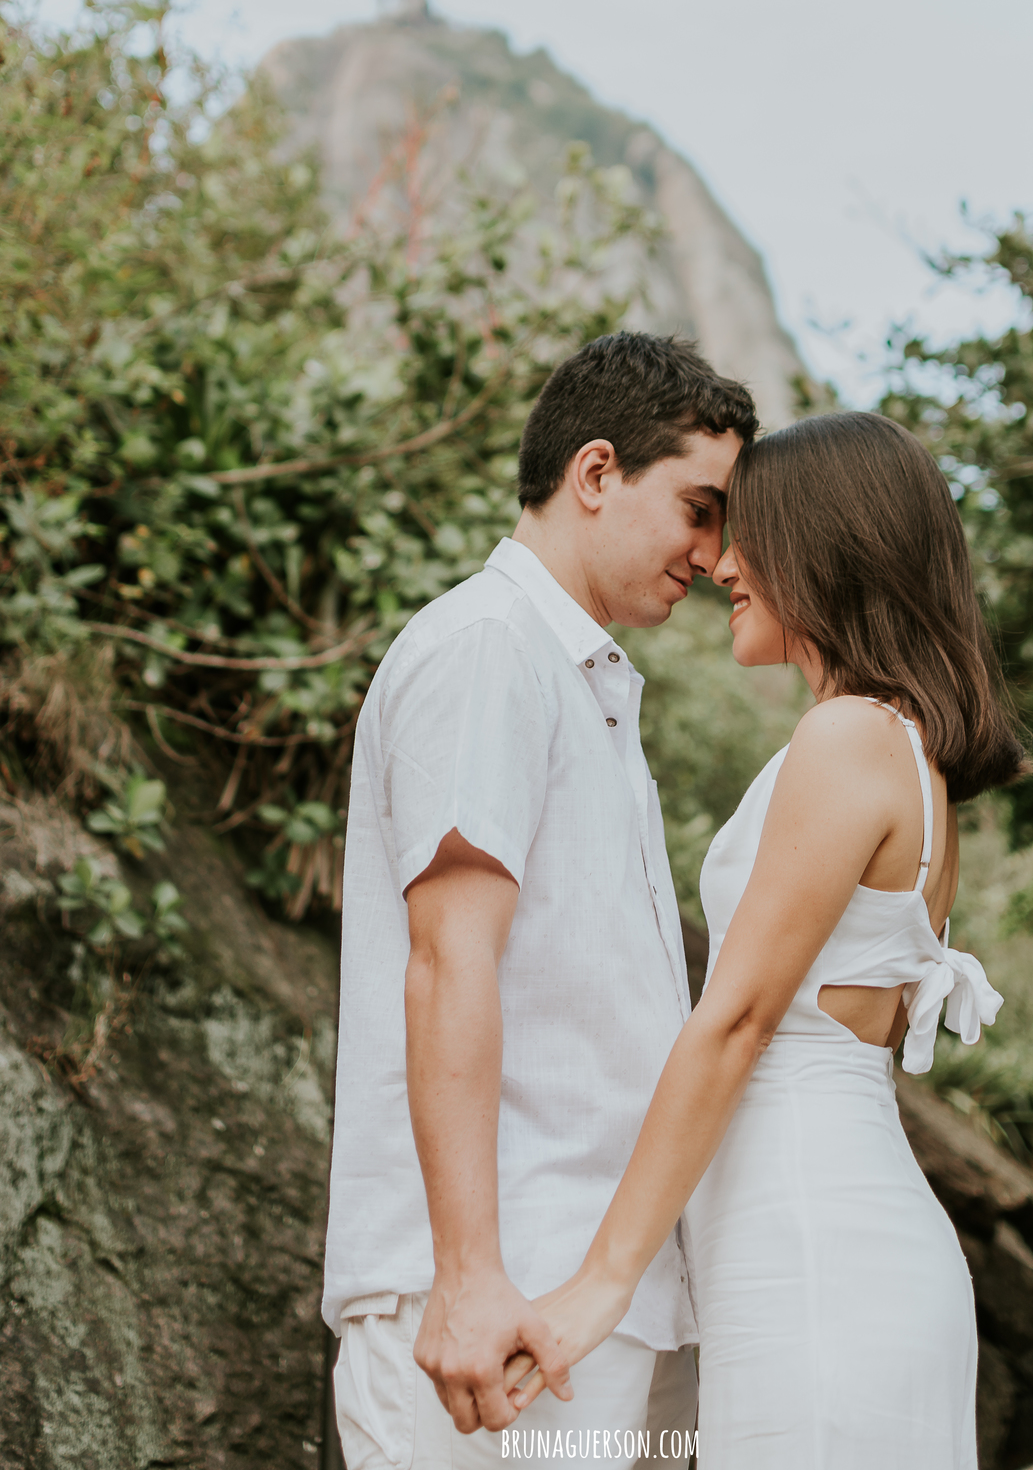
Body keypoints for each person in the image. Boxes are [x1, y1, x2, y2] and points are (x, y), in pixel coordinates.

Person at [511, 411, 1024, 1468]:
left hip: (813, 1254)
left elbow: (736, 1019)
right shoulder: (904, 752)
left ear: (828, 544)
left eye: (752, 534)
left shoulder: (845, 739)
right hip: (837, 1240)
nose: (724, 563)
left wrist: (597, 1287)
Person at [323, 331, 758, 1469]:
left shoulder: (579, 681)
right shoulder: (487, 650)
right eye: (698, 509)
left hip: (575, 1301)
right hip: (490, 1307)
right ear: (598, 473)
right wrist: (468, 1278)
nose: (714, 556)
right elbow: (447, 961)